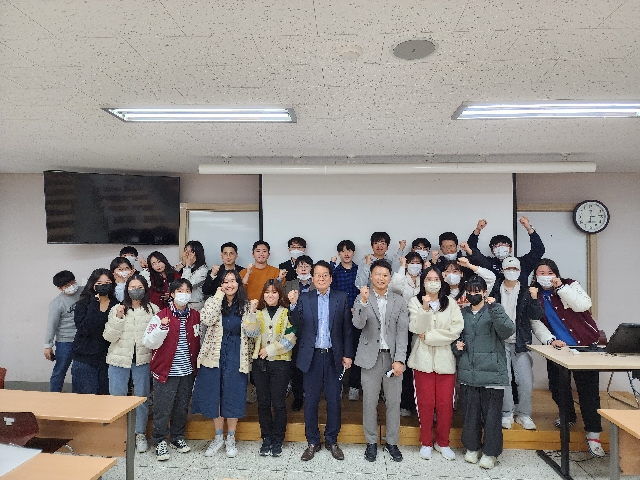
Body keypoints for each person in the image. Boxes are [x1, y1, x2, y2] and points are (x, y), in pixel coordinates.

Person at [531, 258, 604, 457]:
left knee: (588, 391)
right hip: (558, 347)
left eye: (549, 273)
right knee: (557, 387)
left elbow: (583, 305)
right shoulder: (534, 294)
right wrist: (550, 340)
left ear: (556, 273)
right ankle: (568, 416)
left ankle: (594, 433)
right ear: (535, 276)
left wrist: (561, 288)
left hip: (584, 345)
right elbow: (536, 322)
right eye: (541, 273)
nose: (546, 277)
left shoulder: (570, 285)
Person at [288, 260, 353, 462]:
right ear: (313, 278)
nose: (322, 278)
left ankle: (332, 440)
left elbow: (347, 330)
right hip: (311, 356)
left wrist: (348, 354)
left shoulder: (341, 297)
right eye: (318, 275)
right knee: (311, 400)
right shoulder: (304, 298)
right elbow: (295, 322)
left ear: (331, 278)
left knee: (334, 399)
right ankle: (312, 441)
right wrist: (292, 304)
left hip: (334, 356)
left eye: (325, 275)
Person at [490, 257, 564, 431]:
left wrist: (534, 298)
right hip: (499, 341)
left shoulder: (526, 291)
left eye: (515, 269)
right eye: (508, 268)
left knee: (525, 380)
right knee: (504, 379)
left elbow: (536, 316)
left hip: (520, 341)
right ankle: (507, 413)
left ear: (520, 271)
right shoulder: (494, 290)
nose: (512, 271)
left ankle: (524, 414)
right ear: (502, 270)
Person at [191, 271, 259, 458]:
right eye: (225, 281)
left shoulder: (246, 304)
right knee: (215, 395)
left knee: (233, 394)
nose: (229, 285)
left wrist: (252, 314)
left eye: (233, 281)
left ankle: (231, 438)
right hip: (214, 354)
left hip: (237, 354)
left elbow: (253, 333)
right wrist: (218, 295)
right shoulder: (213, 301)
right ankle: (218, 437)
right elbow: (206, 319)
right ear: (220, 284)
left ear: (239, 283)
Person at [454, 275, 515, 470]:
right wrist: (457, 347)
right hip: (469, 373)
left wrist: (495, 308)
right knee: (470, 415)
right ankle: (472, 448)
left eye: (476, 291)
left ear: (484, 292)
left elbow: (508, 331)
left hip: (492, 374)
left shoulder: (495, 310)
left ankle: (490, 453)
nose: (473, 294)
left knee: (492, 417)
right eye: (469, 292)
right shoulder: (462, 313)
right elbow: (454, 339)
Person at [353, 259, 409, 463]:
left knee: (393, 403)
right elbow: (358, 324)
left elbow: (402, 333)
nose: (381, 278)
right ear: (371, 276)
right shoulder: (362, 297)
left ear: (390, 278)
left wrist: (400, 359)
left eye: (385, 275)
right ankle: (371, 442)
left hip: (392, 357)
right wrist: (363, 301)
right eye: (377, 274)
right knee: (369, 402)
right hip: (370, 358)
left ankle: (392, 442)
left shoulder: (399, 301)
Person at [408, 266, 463, 461]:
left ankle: (443, 442)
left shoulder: (451, 303)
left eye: (436, 278)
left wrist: (430, 337)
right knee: (425, 403)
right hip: (421, 360)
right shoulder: (415, 302)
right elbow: (416, 328)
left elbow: (455, 331)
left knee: (445, 404)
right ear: (423, 282)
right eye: (429, 279)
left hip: (445, 360)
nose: (433, 282)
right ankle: (426, 442)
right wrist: (424, 308)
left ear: (442, 281)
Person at [142, 279, 201, 461]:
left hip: (187, 371)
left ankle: (177, 437)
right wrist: (162, 327)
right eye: (180, 291)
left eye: (188, 290)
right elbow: (148, 342)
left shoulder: (195, 315)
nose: (185, 294)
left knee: (182, 407)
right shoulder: (161, 316)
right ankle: (159, 440)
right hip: (166, 371)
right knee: (162, 408)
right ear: (173, 294)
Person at [103, 273, 159, 453]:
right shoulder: (117, 308)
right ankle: (120, 434)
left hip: (143, 360)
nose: (136, 291)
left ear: (145, 289)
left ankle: (139, 433)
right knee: (117, 398)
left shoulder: (153, 309)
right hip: (118, 360)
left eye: (139, 287)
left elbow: (157, 337)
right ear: (126, 290)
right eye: (132, 287)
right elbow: (109, 337)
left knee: (142, 398)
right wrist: (118, 318)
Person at [252, 280, 297, 457]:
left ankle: (278, 439)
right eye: (267, 292)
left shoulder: (287, 312)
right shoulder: (257, 313)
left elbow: (291, 338)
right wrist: (250, 313)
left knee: (278, 403)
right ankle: (266, 438)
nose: (270, 295)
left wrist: (269, 350)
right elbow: (249, 333)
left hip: (281, 364)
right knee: (263, 403)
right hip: (260, 364)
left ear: (280, 294)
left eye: (274, 292)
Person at [389, 251, 424, 417]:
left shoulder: (425, 279)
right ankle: (405, 403)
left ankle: (420, 405)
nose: (415, 265)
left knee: (419, 367)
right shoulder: (401, 278)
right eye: (412, 262)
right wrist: (402, 266)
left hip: (421, 328)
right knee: (405, 367)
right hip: (402, 328)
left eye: (418, 262)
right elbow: (394, 287)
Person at [71, 268, 117, 395]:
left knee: (104, 398)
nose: (104, 286)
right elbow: (84, 329)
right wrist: (95, 304)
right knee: (85, 398)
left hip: (106, 359)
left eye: (107, 283)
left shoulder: (116, 305)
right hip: (84, 358)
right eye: (99, 283)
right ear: (92, 285)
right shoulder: (83, 303)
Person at [467, 217, 545, 284]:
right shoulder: (489, 264)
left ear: (511, 249)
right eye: (496, 246)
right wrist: (477, 230)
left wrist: (528, 227)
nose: (500, 248)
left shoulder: (522, 263)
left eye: (504, 244)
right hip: (494, 297)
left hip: (520, 296)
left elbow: (538, 250)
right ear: (492, 251)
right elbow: (471, 251)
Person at [330, 240, 361, 401]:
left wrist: (356, 307)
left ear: (353, 252)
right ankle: (339, 384)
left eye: (349, 250)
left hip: (357, 316)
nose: (346, 253)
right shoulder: (334, 272)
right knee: (339, 350)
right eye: (343, 251)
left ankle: (354, 385)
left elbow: (364, 291)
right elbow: (331, 293)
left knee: (356, 349)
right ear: (339, 254)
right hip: (339, 317)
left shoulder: (360, 270)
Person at [284, 255, 315, 411]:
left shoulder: (317, 283)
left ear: (311, 268)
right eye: (300, 266)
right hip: (294, 330)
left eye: (306, 266)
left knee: (312, 364)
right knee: (296, 364)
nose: (303, 269)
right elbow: (283, 305)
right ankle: (298, 397)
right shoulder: (289, 284)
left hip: (313, 330)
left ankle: (311, 394)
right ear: (295, 269)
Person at [45, 270, 82, 392]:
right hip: (65, 341)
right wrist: (48, 346)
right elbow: (51, 325)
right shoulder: (56, 303)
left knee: (79, 371)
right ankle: (54, 395)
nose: (71, 287)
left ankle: (78, 395)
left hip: (83, 340)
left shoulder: (85, 292)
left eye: (72, 282)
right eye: (67, 285)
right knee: (60, 369)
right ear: (60, 288)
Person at [175, 240, 209, 311]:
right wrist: (183, 264)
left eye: (191, 252)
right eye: (185, 251)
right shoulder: (182, 264)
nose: (187, 254)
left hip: (194, 304)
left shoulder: (203, 270)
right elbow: (171, 275)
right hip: (179, 302)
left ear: (197, 254)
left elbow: (186, 284)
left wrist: (188, 266)